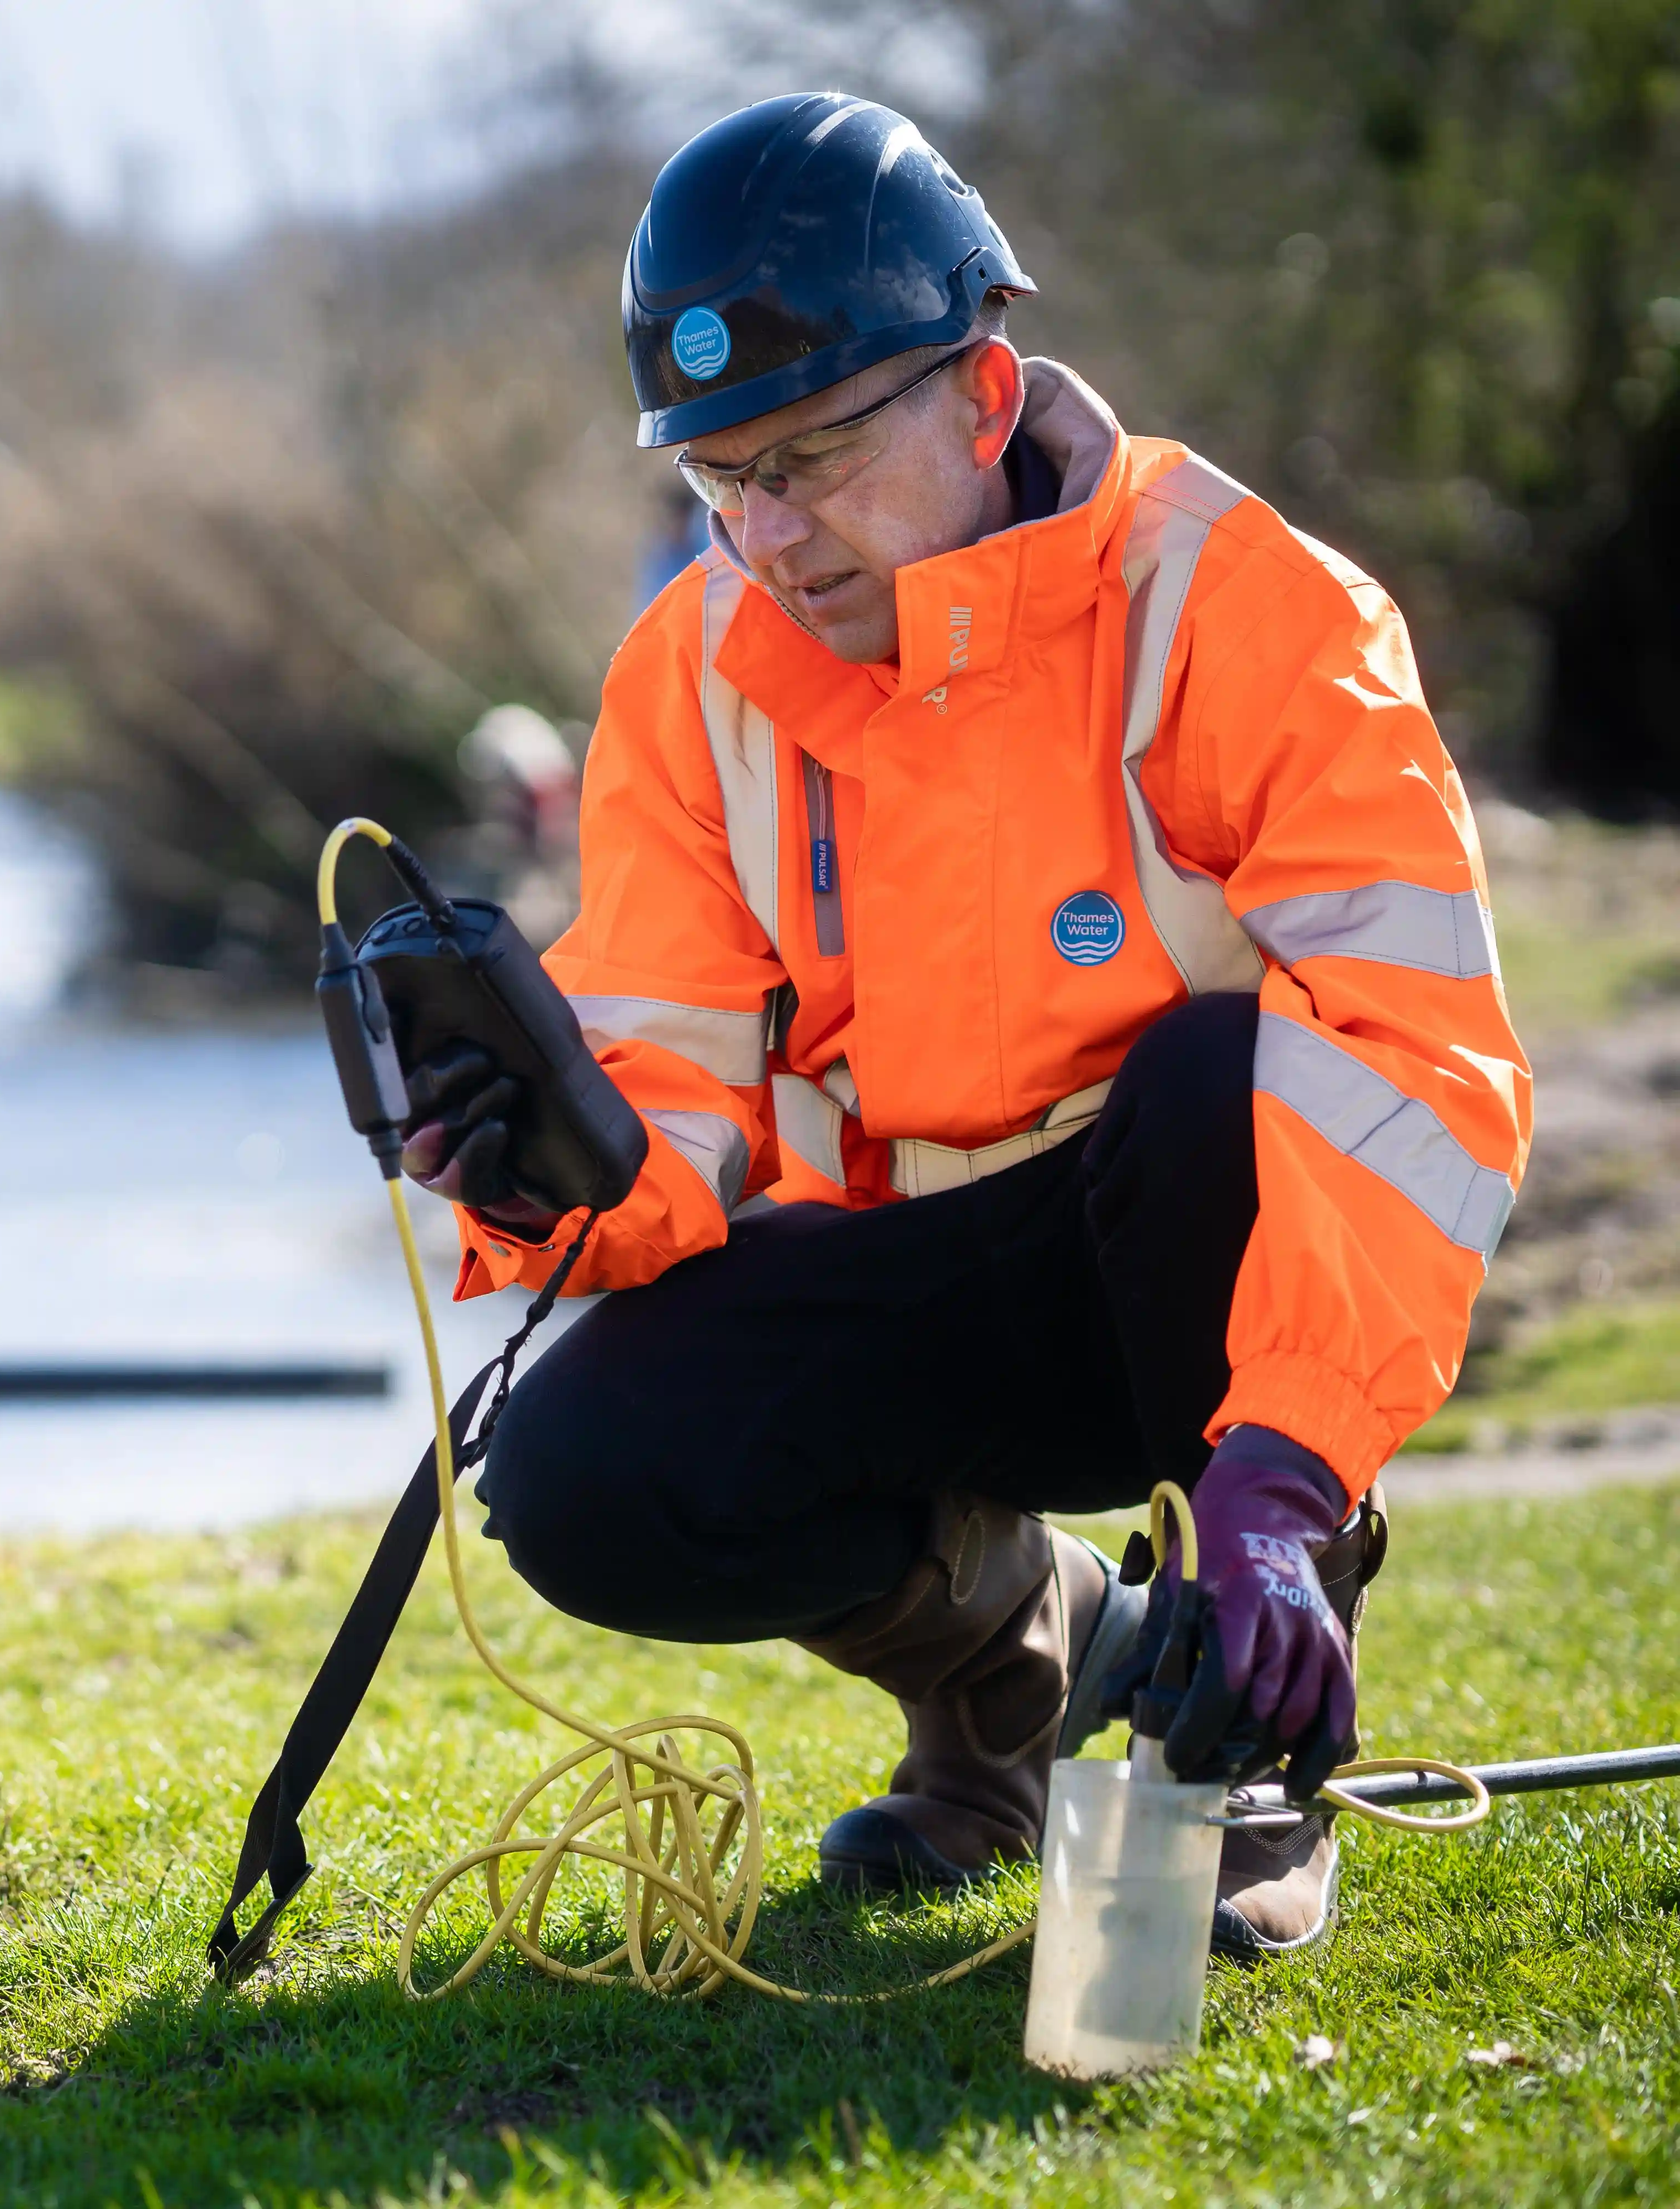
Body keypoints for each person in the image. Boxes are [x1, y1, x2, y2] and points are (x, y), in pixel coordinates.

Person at [396, 92, 1530, 1958]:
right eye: (718, 481)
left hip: (1203, 1284)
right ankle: (1018, 1679)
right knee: (582, 1478)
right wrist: (548, 1158)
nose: (767, 534)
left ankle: (1242, 1742)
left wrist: (1289, 1467)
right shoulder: (683, 679)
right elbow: (670, 1075)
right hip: (917, 1282)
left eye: (816, 457)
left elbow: (1421, 1065)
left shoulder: (1261, 610)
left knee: (1217, 1076)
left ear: (984, 398)